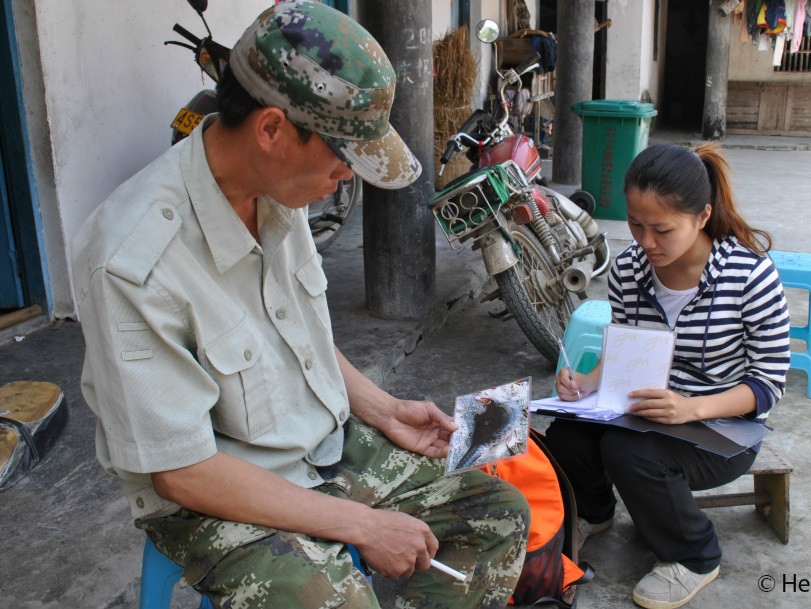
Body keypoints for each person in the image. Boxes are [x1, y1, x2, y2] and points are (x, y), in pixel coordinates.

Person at [72, 3, 529, 608]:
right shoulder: (132, 260)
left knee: (497, 513)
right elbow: (180, 470)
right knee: (332, 598)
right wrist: (361, 525)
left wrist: (383, 407)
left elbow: (296, 332)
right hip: (210, 488)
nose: (348, 176)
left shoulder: (279, 191)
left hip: (317, 439)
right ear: (271, 130)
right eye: (344, 156)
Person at [546, 143, 790, 609]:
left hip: (720, 427)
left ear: (701, 217)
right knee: (565, 434)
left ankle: (695, 554)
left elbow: (767, 385)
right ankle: (594, 512)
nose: (646, 241)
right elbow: (624, 347)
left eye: (661, 229)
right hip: (642, 411)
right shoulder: (629, 270)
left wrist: (691, 408)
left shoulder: (750, 277)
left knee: (628, 448)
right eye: (636, 224)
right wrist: (586, 383)